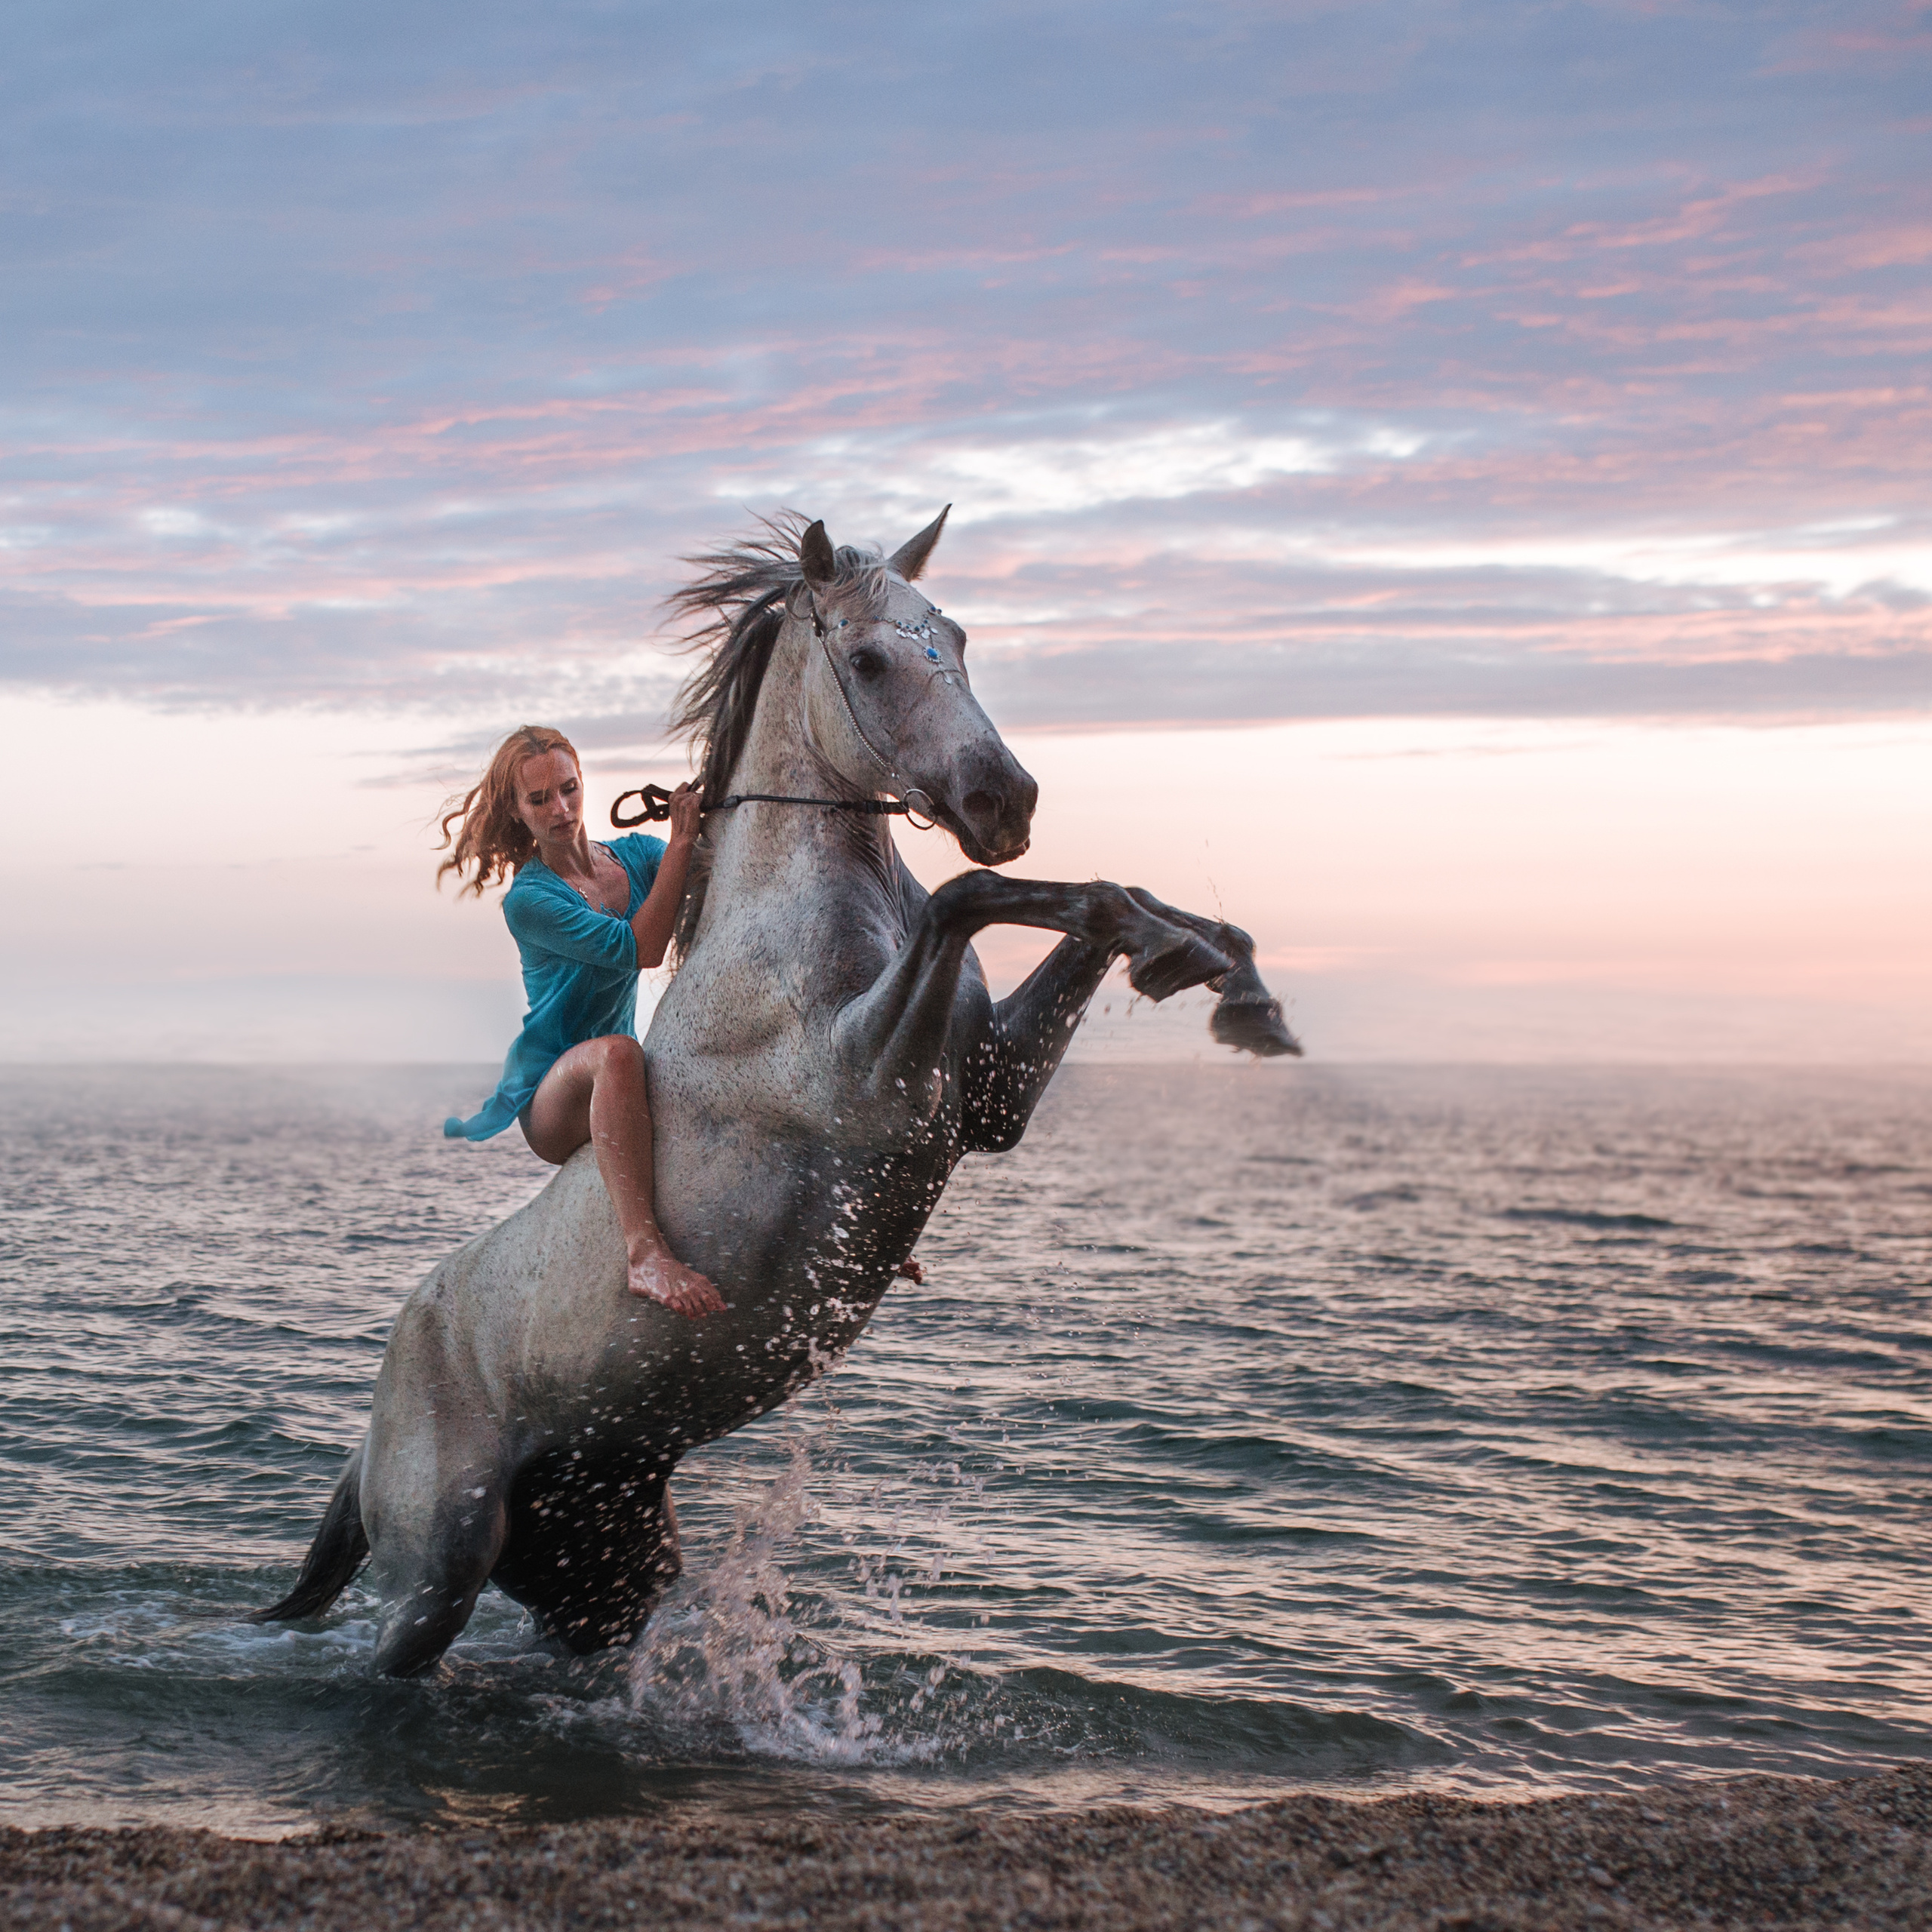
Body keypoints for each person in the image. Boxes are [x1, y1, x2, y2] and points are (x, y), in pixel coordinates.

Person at [437, 724, 724, 1318]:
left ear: (583, 783)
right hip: (554, 1096)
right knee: (619, 1052)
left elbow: (724, 871)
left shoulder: (640, 856)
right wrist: (680, 844)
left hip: (622, 1078)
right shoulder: (532, 901)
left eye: (568, 789)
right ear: (517, 812)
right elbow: (642, 948)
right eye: (539, 800)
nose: (561, 810)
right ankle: (644, 1254)